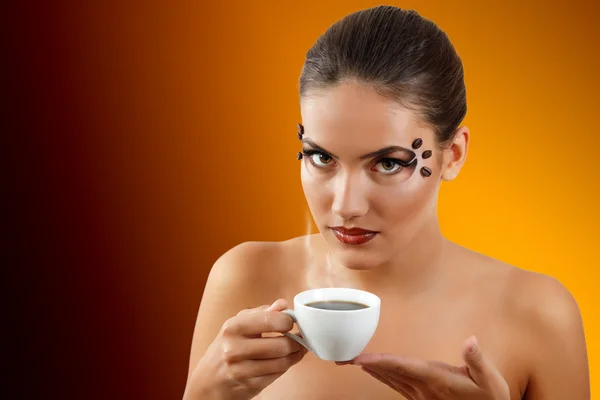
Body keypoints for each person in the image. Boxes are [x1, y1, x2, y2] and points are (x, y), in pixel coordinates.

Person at [181, 5, 590, 400]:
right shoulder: (243, 280)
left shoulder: (539, 315)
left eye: (389, 163)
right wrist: (204, 396)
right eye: (321, 157)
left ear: (453, 155)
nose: (346, 205)